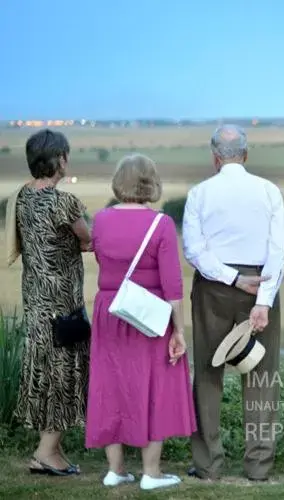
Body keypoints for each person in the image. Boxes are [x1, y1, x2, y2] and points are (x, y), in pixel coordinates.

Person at [84, 153, 197, 490]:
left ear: (119, 182)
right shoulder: (160, 224)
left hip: (110, 310)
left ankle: (115, 470)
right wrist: (179, 330)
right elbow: (173, 285)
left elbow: (103, 261)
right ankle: (151, 473)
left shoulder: (101, 220)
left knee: (110, 384)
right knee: (156, 385)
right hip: (149, 314)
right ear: (151, 183)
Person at [183, 124, 284, 482]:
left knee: (208, 375)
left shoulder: (199, 193)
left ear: (215, 157)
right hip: (260, 285)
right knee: (261, 375)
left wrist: (228, 277)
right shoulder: (269, 191)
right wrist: (263, 301)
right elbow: (278, 251)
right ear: (246, 153)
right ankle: (258, 467)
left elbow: (193, 250)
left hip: (213, 288)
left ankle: (208, 465)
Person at [12, 129, 91, 476]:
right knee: (66, 377)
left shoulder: (21, 198)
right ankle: (45, 453)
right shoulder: (65, 202)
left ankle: (52, 452)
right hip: (64, 306)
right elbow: (87, 240)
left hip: (35, 303)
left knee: (44, 374)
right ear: (60, 160)